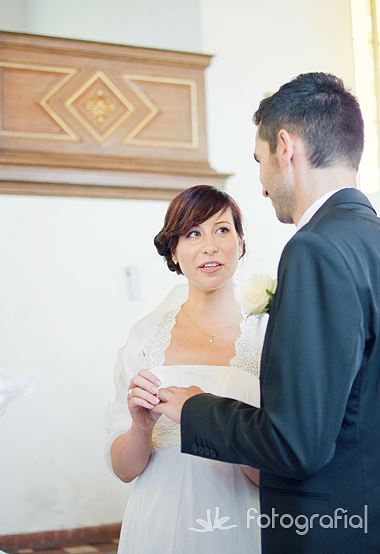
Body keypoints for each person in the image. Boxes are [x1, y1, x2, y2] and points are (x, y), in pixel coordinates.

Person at [154, 73, 380, 553]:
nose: (262, 186)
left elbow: (296, 444)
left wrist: (194, 408)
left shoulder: (315, 249)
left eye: (259, 161)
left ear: (285, 148)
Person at [105, 185, 265, 553]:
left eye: (222, 230)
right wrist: (140, 428)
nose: (210, 245)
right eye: (193, 233)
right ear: (174, 252)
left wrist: (213, 422)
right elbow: (125, 470)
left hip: (239, 518)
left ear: (240, 242)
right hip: (158, 519)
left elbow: (281, 463)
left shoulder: (267, 335)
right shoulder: (145, 337)